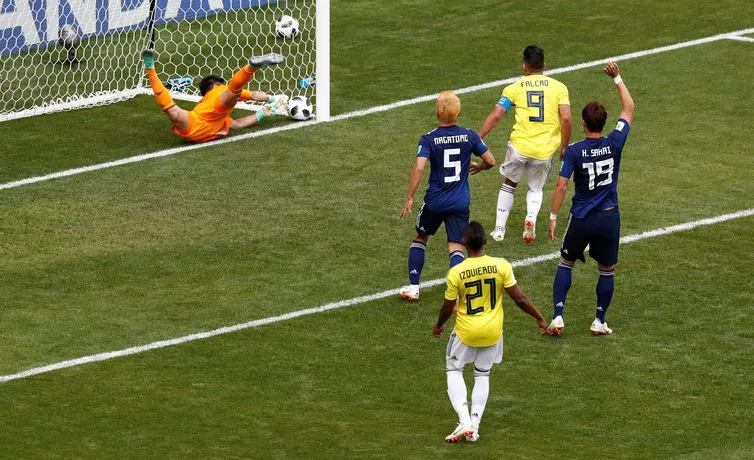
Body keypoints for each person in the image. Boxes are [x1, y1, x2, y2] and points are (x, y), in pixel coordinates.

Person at [433, 221, 547, 442]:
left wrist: (438, 325)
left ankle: (464, 421)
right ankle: (474, 425)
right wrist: (540, 317)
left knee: (454, 370)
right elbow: (520, 298)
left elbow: (448, 306)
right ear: (485, 241)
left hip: (466, 332)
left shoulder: (457, 272)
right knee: (482, 374)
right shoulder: (501, 265)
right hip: (493, 333)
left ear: (464, 243)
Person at [546, 61, 635, 336]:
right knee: (606, 270)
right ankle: (599, 320)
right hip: (609, 216)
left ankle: (559, 316)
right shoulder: (614, 142)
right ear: (604, 123)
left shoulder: (573, 151)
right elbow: (629, 108)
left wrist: (552, 216)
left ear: (583, 123)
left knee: (566, 262)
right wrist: (617, 77)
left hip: (582, 217)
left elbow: (561, 186)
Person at [398, 91, 496, 301]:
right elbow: (491, 161)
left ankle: (414, 287)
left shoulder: (429, 139)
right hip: (460, 202)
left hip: (434, 202)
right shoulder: (470, 136)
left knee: (421, 238)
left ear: (437, 114)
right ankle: (458, 294)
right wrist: (480, 166)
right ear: (458, 113)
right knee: (456, 246)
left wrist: (409, 198)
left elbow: (418, 168)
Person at [478, 45, 572, 243]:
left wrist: (478, 138)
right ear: (544, 65)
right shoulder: (559, 88)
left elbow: (497, 115)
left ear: (524, 66)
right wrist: (565, 146)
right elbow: (566, 119)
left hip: (519, 147)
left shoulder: (514, 88)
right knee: (536, 189)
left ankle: (499, 230)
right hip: (544, 150)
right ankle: (530, 217)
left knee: (510, 183)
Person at [142, 49, 286, 143]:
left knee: (173, 112)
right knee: (234, 90)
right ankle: (251, 67)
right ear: (215, 85)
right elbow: (254, 95)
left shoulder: (219, 116)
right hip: (203, 119)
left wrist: (263, 113)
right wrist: (272, 98)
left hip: (194, 125)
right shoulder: (219, 91)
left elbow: (237, 124)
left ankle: (150, 68)